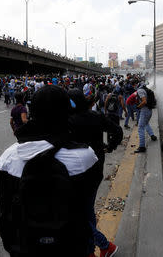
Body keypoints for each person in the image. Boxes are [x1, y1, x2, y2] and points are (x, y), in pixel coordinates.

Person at [0, 85, 98, 257]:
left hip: (25, 248)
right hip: (71, 246)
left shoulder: (7, 158)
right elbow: (86, 208)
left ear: (32, 112)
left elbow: (4, 215)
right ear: (66, 113)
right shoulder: (85, 157)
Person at [68, 89, 121, 257]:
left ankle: (104, 245)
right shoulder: (96, 116)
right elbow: (117, 131)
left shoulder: (68, 121)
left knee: (77, 213)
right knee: (86, 210)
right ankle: (93, 250)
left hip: (77, 173)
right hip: (96, 169)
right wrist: (110, 146)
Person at [134, 83, 157, 153]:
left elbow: (144, 101)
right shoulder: (146, 90)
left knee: (140, 128)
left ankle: (142, 147)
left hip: (145, 110)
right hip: (149, 110)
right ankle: (152, 135)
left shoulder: (140, 90)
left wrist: (138, 107)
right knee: (146, 123)